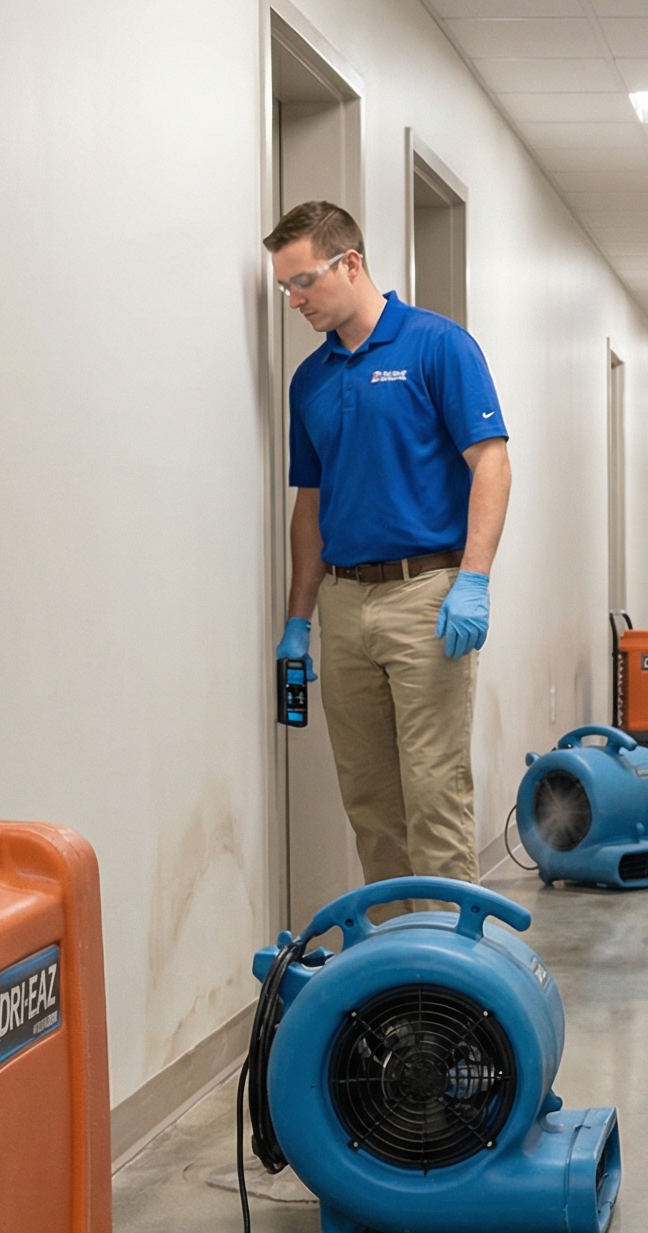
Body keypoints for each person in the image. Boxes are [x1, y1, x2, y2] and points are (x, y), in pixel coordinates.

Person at [264, 200, 511, 889]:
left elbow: (491, 462)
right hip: (344, 604)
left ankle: (450, 970)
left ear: (351, 263)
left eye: (304, 281)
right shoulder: (309, 381)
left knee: (434, 792)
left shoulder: (438, 345)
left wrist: (475, 578)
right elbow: (308, 508)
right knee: (369, 799)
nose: (295, 299)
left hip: (426, 595)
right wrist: (298, 619)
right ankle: (395, 968)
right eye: (285, 287)